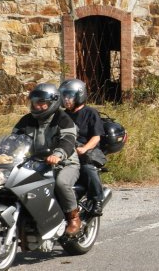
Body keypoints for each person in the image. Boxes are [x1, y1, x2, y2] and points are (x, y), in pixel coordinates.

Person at [12, 83, 81, 236]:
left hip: (65, 162)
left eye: (41, 102)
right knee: (15, 183)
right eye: (35, 102)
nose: (37, 106)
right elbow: (14, 139)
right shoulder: (27, 120)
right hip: (35, 162)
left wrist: (58, 154)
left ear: (53, 102)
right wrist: (3, 153)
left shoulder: (63, 119)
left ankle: (73, 217)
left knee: (61, 183)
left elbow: (68, 140)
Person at [59, 78, 106, 216]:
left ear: (79, 96)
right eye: (64, 96)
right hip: (66, 150)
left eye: (69, 96)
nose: (66, 99)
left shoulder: (90, 113)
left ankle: (97, 199)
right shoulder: (62, 115)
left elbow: (96, 136)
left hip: (86, 150)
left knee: (87, 168)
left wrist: (84, 148)